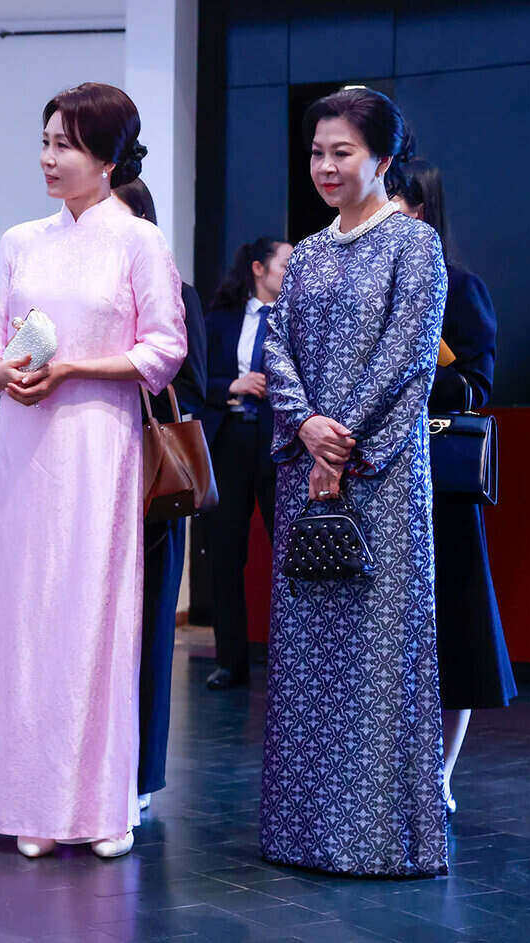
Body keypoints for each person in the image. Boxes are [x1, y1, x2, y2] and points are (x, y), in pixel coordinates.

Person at [0, 82, 187, 860]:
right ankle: (30, 796)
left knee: (93, 617)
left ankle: (102, 802)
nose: (50, 159)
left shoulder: (139, 242)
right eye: (46, 142)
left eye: (67, 145)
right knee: (22, 617)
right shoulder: (20, 240)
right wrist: (3, 372)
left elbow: (164, 350)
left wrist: (74, 367)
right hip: (25, 447)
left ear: (109, 157)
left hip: (99, 444)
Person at [260, 87, 448, 876]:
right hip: (307, 473)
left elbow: (409, 356)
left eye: (343, 152)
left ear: (383, 156)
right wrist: (306, 425)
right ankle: (301, 833)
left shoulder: (415, 245)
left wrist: (342, 441)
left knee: (376, 657)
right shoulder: (305, 252)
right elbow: (275, 345)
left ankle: (375, 840)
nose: (326, 166)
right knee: (307, 657)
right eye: (317, 152)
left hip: (380, 475)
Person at [388, 159, 516, 816]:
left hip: (438, 483)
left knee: (453, 632)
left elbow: (475, 386)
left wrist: (405, 369)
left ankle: (439, 773)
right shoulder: (355, 285)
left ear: (421, 211)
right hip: (371, 476)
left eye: (395, 202)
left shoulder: (460, 288)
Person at [111, 177, 208, 810]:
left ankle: (139, 774)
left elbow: (193, 390)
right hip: (81, 480)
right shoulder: (67, 291)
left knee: (148, 630)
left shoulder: (177, 292)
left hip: (150, 483)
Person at [200, 237, 292, 690]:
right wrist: (232, 386)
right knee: (224, 551)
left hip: (281, 441)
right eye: (285, 264)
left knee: (289, 551)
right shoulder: (219, 319)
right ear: (258, 268)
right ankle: (229, 661)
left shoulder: (299, 317)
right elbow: (195, 380)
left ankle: (294, 663)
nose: (292, 272)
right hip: (230, 437)